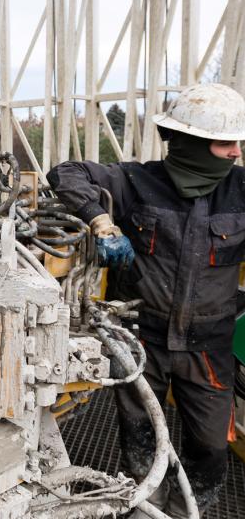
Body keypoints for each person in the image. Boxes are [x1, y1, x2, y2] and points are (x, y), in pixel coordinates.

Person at [47, 83, 245, 518]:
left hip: (208, 349)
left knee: (211, 446)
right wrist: (101, 221)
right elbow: (65, 174)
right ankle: (144, 507)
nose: (236, 151)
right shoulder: (137, 182)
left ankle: (186, 510)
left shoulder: (240, 190)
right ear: (191, 143)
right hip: (141, 342)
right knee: (138, 434)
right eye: (226, 142)